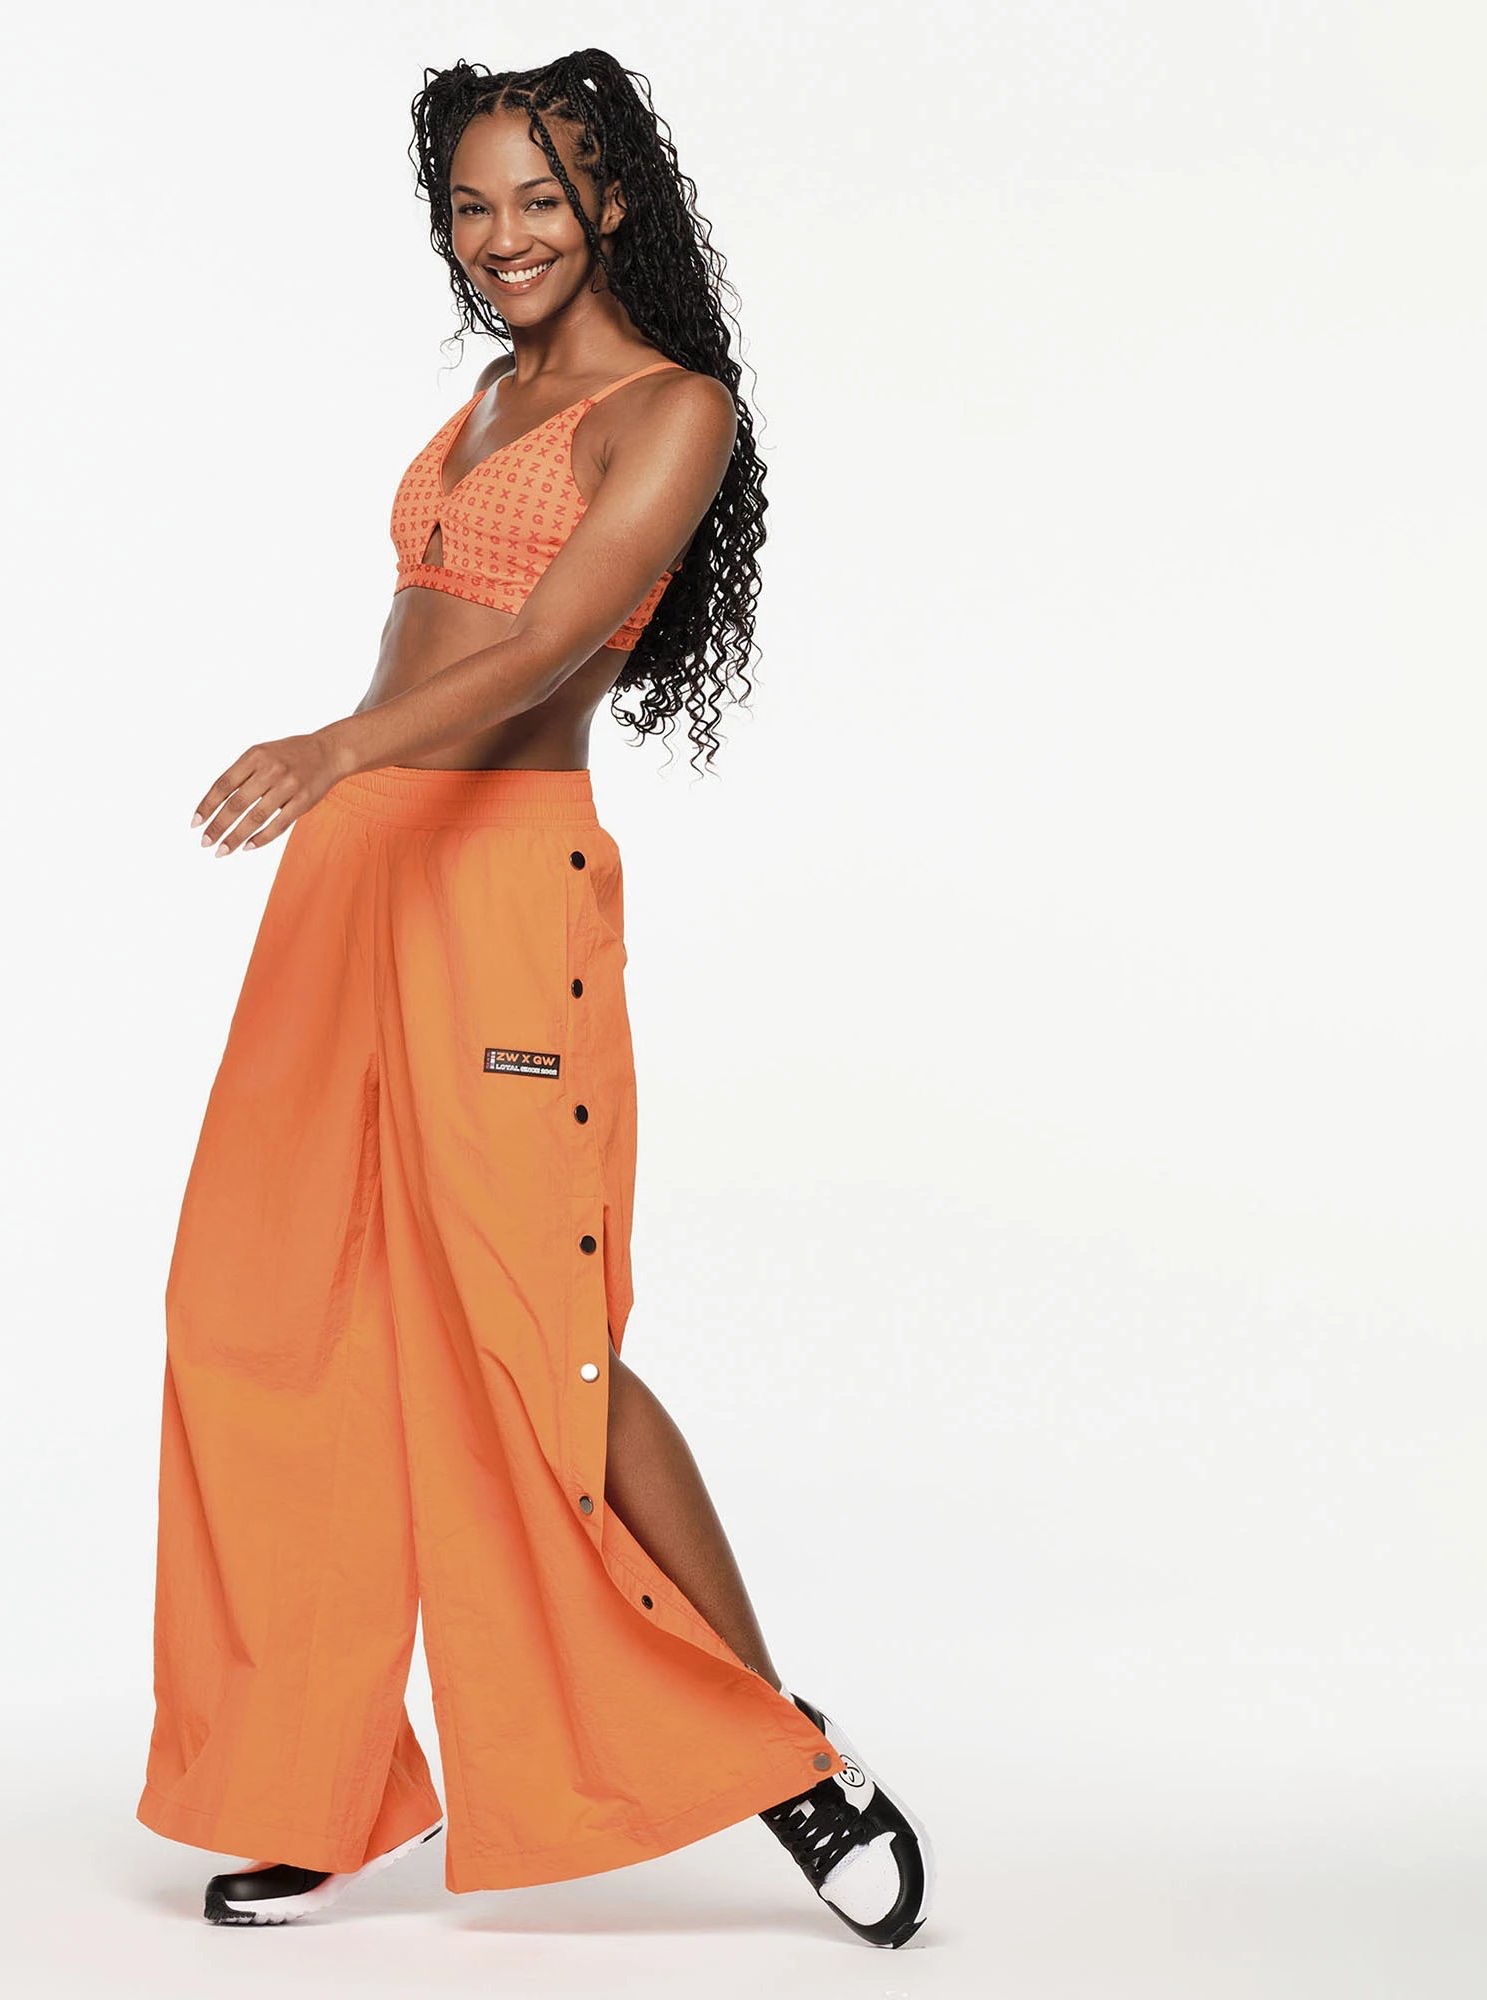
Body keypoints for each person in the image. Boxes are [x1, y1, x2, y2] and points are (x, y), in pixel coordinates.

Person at [135, 49, 933, 1947]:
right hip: (354, 874)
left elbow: (553, 639)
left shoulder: (674, 410)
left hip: (494, 884)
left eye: (539, 201)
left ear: (612, 203)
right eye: (472, 206)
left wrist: (337, 747)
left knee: (535, 1348)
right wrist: (347, 786)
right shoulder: (490, 397)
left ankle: (790, 1760)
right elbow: (426, 629)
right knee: (267, 1319)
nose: (503, 238)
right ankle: (318, 1786)